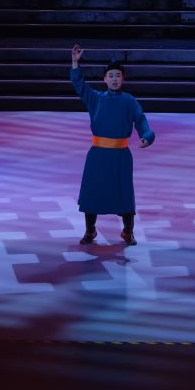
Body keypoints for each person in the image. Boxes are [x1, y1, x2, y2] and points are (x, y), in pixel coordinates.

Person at [69, 45, 156, 245]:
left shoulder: (129, 101)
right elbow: (79, 84)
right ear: (105, 79)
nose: (115, 79)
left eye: (118, 75)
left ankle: (128, 231)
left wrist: (147, 135)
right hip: (98, 155)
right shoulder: (95, 99)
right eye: (111, 76)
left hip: (120, 155)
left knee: (124, 193)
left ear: (123, 79)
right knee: (93, 192)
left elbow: (141, 120)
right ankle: (90, 230)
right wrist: (75, 63)